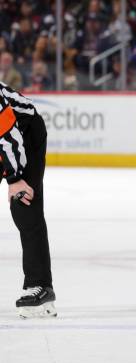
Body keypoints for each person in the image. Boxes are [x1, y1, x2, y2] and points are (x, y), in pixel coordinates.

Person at [0, 81, 55, 318]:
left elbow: (7, 132)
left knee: (23, 204)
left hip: (25, 133)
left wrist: (15, 178)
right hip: (7, 136)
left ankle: (40, 285)